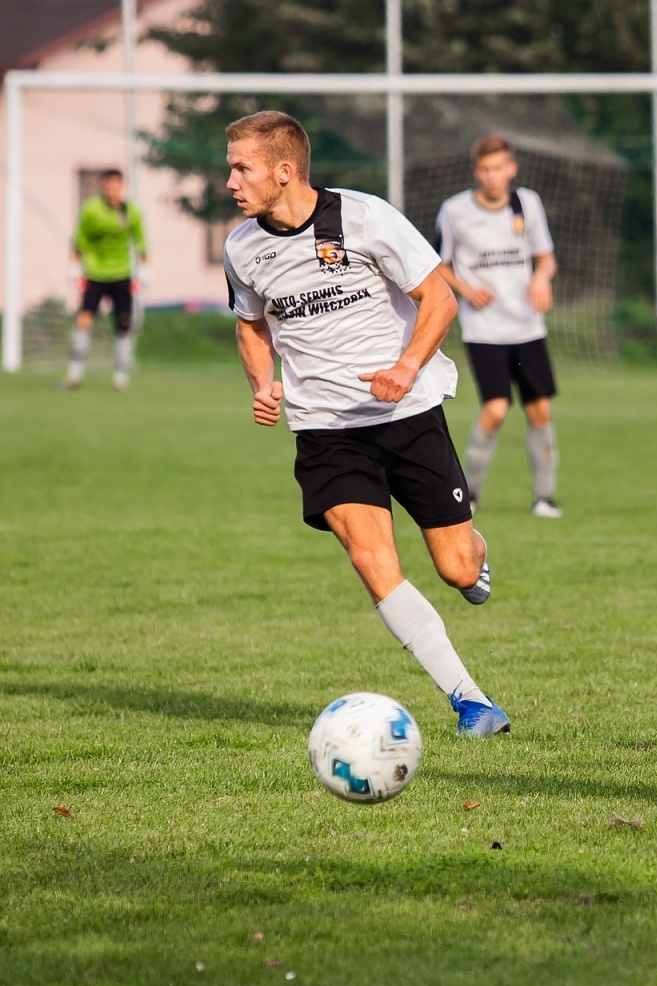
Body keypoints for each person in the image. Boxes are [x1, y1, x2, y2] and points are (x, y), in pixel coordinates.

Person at [220, 110, 510, 738]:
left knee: (457, 568)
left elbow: (439, 296)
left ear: (284, 170)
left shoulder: (365, 217)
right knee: (371, 558)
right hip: (324, 429)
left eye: (242, 169)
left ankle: (475, 552)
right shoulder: (242, 247)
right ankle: (472, 701)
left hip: (406, 414)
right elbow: (250, 324)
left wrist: (408, 367)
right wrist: (262, 383)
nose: (231, 183)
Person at [433, 134, 562, 518]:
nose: (494, 176)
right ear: (477, 171)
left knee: (539, 410)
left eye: (500, 168)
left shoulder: (528, 203)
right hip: (484, 330)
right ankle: (469, 493)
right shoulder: (455, 211)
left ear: (512, 169)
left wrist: (541, 280)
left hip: (526, 326)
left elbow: (546, 258)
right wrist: (466, 289)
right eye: (486, 169)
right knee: (496, 408)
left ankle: (544, 497)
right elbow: (438, 263)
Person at [63, 168, 147, 391]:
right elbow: (78, 240)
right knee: (84, 319)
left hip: (121, 274)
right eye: (108, 186)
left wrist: (146, 271)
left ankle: (121, 374)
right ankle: (74, 372)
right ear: (103, 187)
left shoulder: (131, 212)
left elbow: (141, 243)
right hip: (94, 273)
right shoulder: (91, 209)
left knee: (123, 323)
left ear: (121, 186)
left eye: (116, 186)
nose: (112, 190)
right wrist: (73, 267)